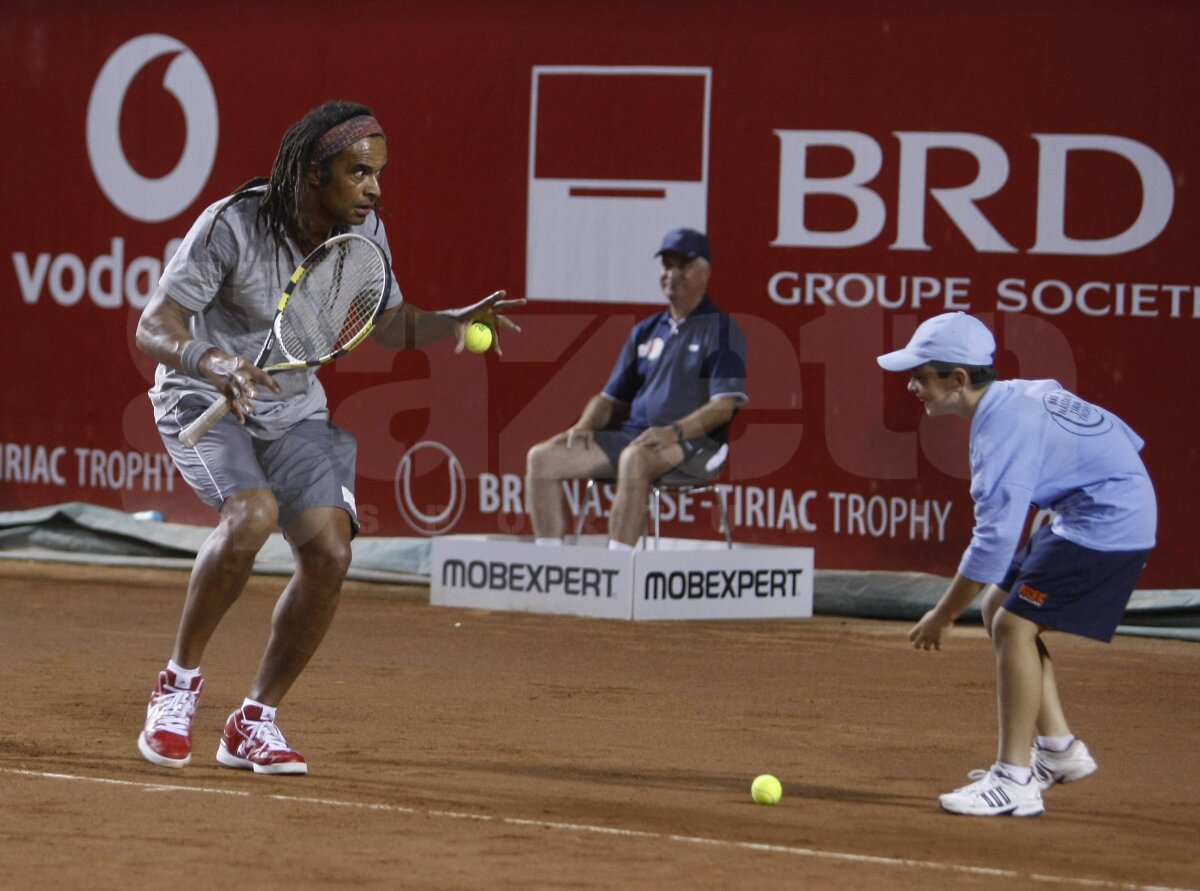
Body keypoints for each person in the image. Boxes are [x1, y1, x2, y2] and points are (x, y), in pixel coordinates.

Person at [134, 100, 523, 775]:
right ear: (315, 173)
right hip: (201, 398)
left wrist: (450, 323)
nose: (374, 188)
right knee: (251, 514)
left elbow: (386, 321)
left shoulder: (363, 237)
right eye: (358, 172)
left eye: (377, 173)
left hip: (293, 412)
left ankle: (253, 720)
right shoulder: (233, 223)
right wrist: (216, 362)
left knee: (329, 553)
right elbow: (154, 324)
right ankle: (178, 685)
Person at [876, 312, 1156, 817]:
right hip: (1089, 510)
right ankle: (1059, 752)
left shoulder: (998, 432)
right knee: (998, 607)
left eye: (921, 375)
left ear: (958, 379)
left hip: (1107, 524)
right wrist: (1066, 493)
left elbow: (991, 548)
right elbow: (1123, 439)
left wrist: (939, 617)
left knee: (1012, 625)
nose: (912, 385)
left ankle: (1014, 779)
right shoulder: (1022, 393)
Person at [525, 228, 748, 549]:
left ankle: (619, 573)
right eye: (666, 266)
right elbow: (608, 398)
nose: (672, 274)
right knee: (542, 458)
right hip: (636, 438)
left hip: (694, 446)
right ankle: (548, 567)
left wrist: (672, 431)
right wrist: (585, 425)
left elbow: (723, 406)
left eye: (682, 266)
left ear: (705, 272)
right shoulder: (646, 331)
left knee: (634, 459)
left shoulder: (721, 329)